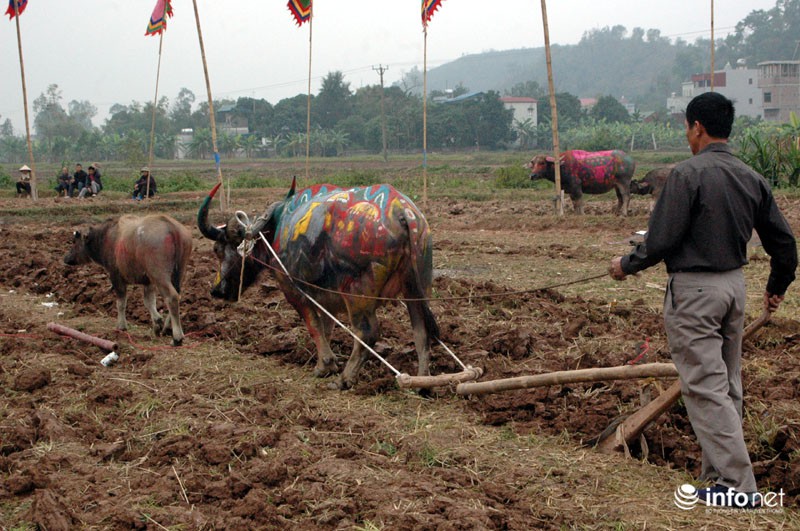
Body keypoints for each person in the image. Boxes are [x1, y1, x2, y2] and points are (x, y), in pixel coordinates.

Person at [608, 92, 797, 509]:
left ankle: (736, 487)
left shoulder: (687, 175)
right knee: (727, 384)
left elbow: (661, 239)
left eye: (687, 129)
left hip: (695, 292)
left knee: (705, 388)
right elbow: (784, 243)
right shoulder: (751, 177)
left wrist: (626, 264)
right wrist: (777, 285)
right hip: (734, 287)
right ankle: (715, 476)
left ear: (697, 127)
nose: (687, 136)